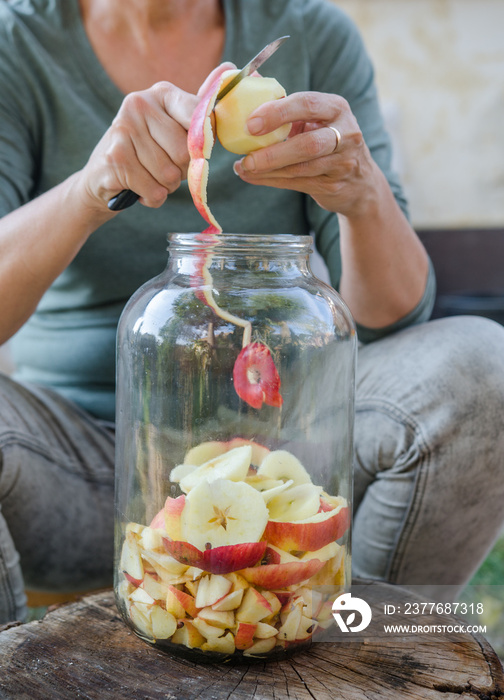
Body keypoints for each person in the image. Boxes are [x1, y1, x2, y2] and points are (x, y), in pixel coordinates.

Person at [0, 0, 503, 625]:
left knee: (483, 368)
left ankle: (358, 658)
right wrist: (88, 189)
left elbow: (391, 321)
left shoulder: (313, 31)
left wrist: (363, 194)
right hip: (68, 471)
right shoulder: (15, 42)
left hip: (292, 461)